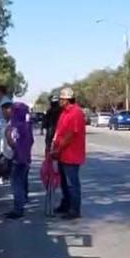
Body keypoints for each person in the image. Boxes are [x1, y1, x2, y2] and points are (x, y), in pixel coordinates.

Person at [51, 88, 86, 219]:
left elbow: (70, 135)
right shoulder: (64, 113)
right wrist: (54, 146)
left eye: (61, 99)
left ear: (67, 100)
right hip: (62, 153)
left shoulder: (75, 113)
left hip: (71, 154)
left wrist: (58, 148)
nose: (59, 101)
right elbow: (59, 131)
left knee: (72, 184)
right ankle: (65, 205)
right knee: (64, 183)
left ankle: (74, 210)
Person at [4, 102, 34, 219]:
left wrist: (7, 135)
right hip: (26, 158)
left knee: (16, 185)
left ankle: (18, 210)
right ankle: (20, 205)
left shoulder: (16, 126)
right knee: (21, 183)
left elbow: (13, 143)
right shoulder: (27, 125)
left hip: (18, 159)